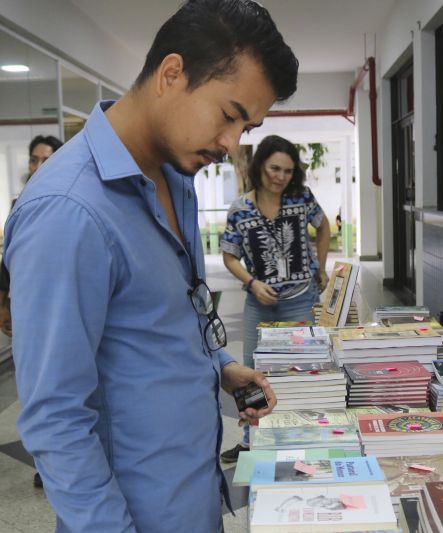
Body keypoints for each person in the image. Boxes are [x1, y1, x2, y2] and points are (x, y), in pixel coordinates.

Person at [3, 1, 298, 531]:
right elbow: (55, 420)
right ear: (171, 73)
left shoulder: (175, 178)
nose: (233, 144)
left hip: (194, 496)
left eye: (246, 127)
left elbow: (161, 323)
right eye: (229, 115)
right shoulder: (70, 212)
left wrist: (221, 370)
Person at [219, 134, 330, 462]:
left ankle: (302, 432)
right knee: (252, 371)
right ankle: (251, 438)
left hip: (300, 298)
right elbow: (229, 256)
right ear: (260, 167)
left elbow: (323, 228)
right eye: (274, 169)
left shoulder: (301, 198)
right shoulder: (240, 208)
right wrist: (252, 283)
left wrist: (321, 268)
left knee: (304, 368)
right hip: (259, 303)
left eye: (287, 170)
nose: (280, 177)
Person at [0, 135, 63, 489]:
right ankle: (46, 460)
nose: (39, 166)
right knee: (34, 390)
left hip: (56, 309)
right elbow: (8, 260)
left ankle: (59, 461)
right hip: (25, 309)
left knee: (59, 387)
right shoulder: (18, 203)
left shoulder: (66, 200)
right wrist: (3, 304)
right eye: (34, 159)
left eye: (46, 159)